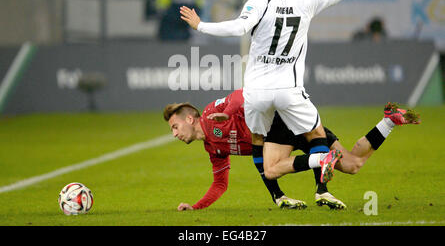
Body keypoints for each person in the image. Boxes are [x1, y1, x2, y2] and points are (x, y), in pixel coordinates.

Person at [179, 0, 378, 188]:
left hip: (257, 93)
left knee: (260, 147)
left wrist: (201, 25)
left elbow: (239, 26)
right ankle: (321, 183)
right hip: (289, 91)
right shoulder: (304, 1)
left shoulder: (257, 4)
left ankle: (283, 192)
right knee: (317, 134)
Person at [164, 89, 420, 211]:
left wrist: (228, 112)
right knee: (353, 164)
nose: (174, 134)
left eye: (175, 126)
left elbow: (244, 95)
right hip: (289, 128)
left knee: (271, 168)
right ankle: (389, 120)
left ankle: (319, 164)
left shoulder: (211, 114)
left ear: (189, 118)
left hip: (282, 126)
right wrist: (196, 207)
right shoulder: (212, 148)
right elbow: (220, 184)